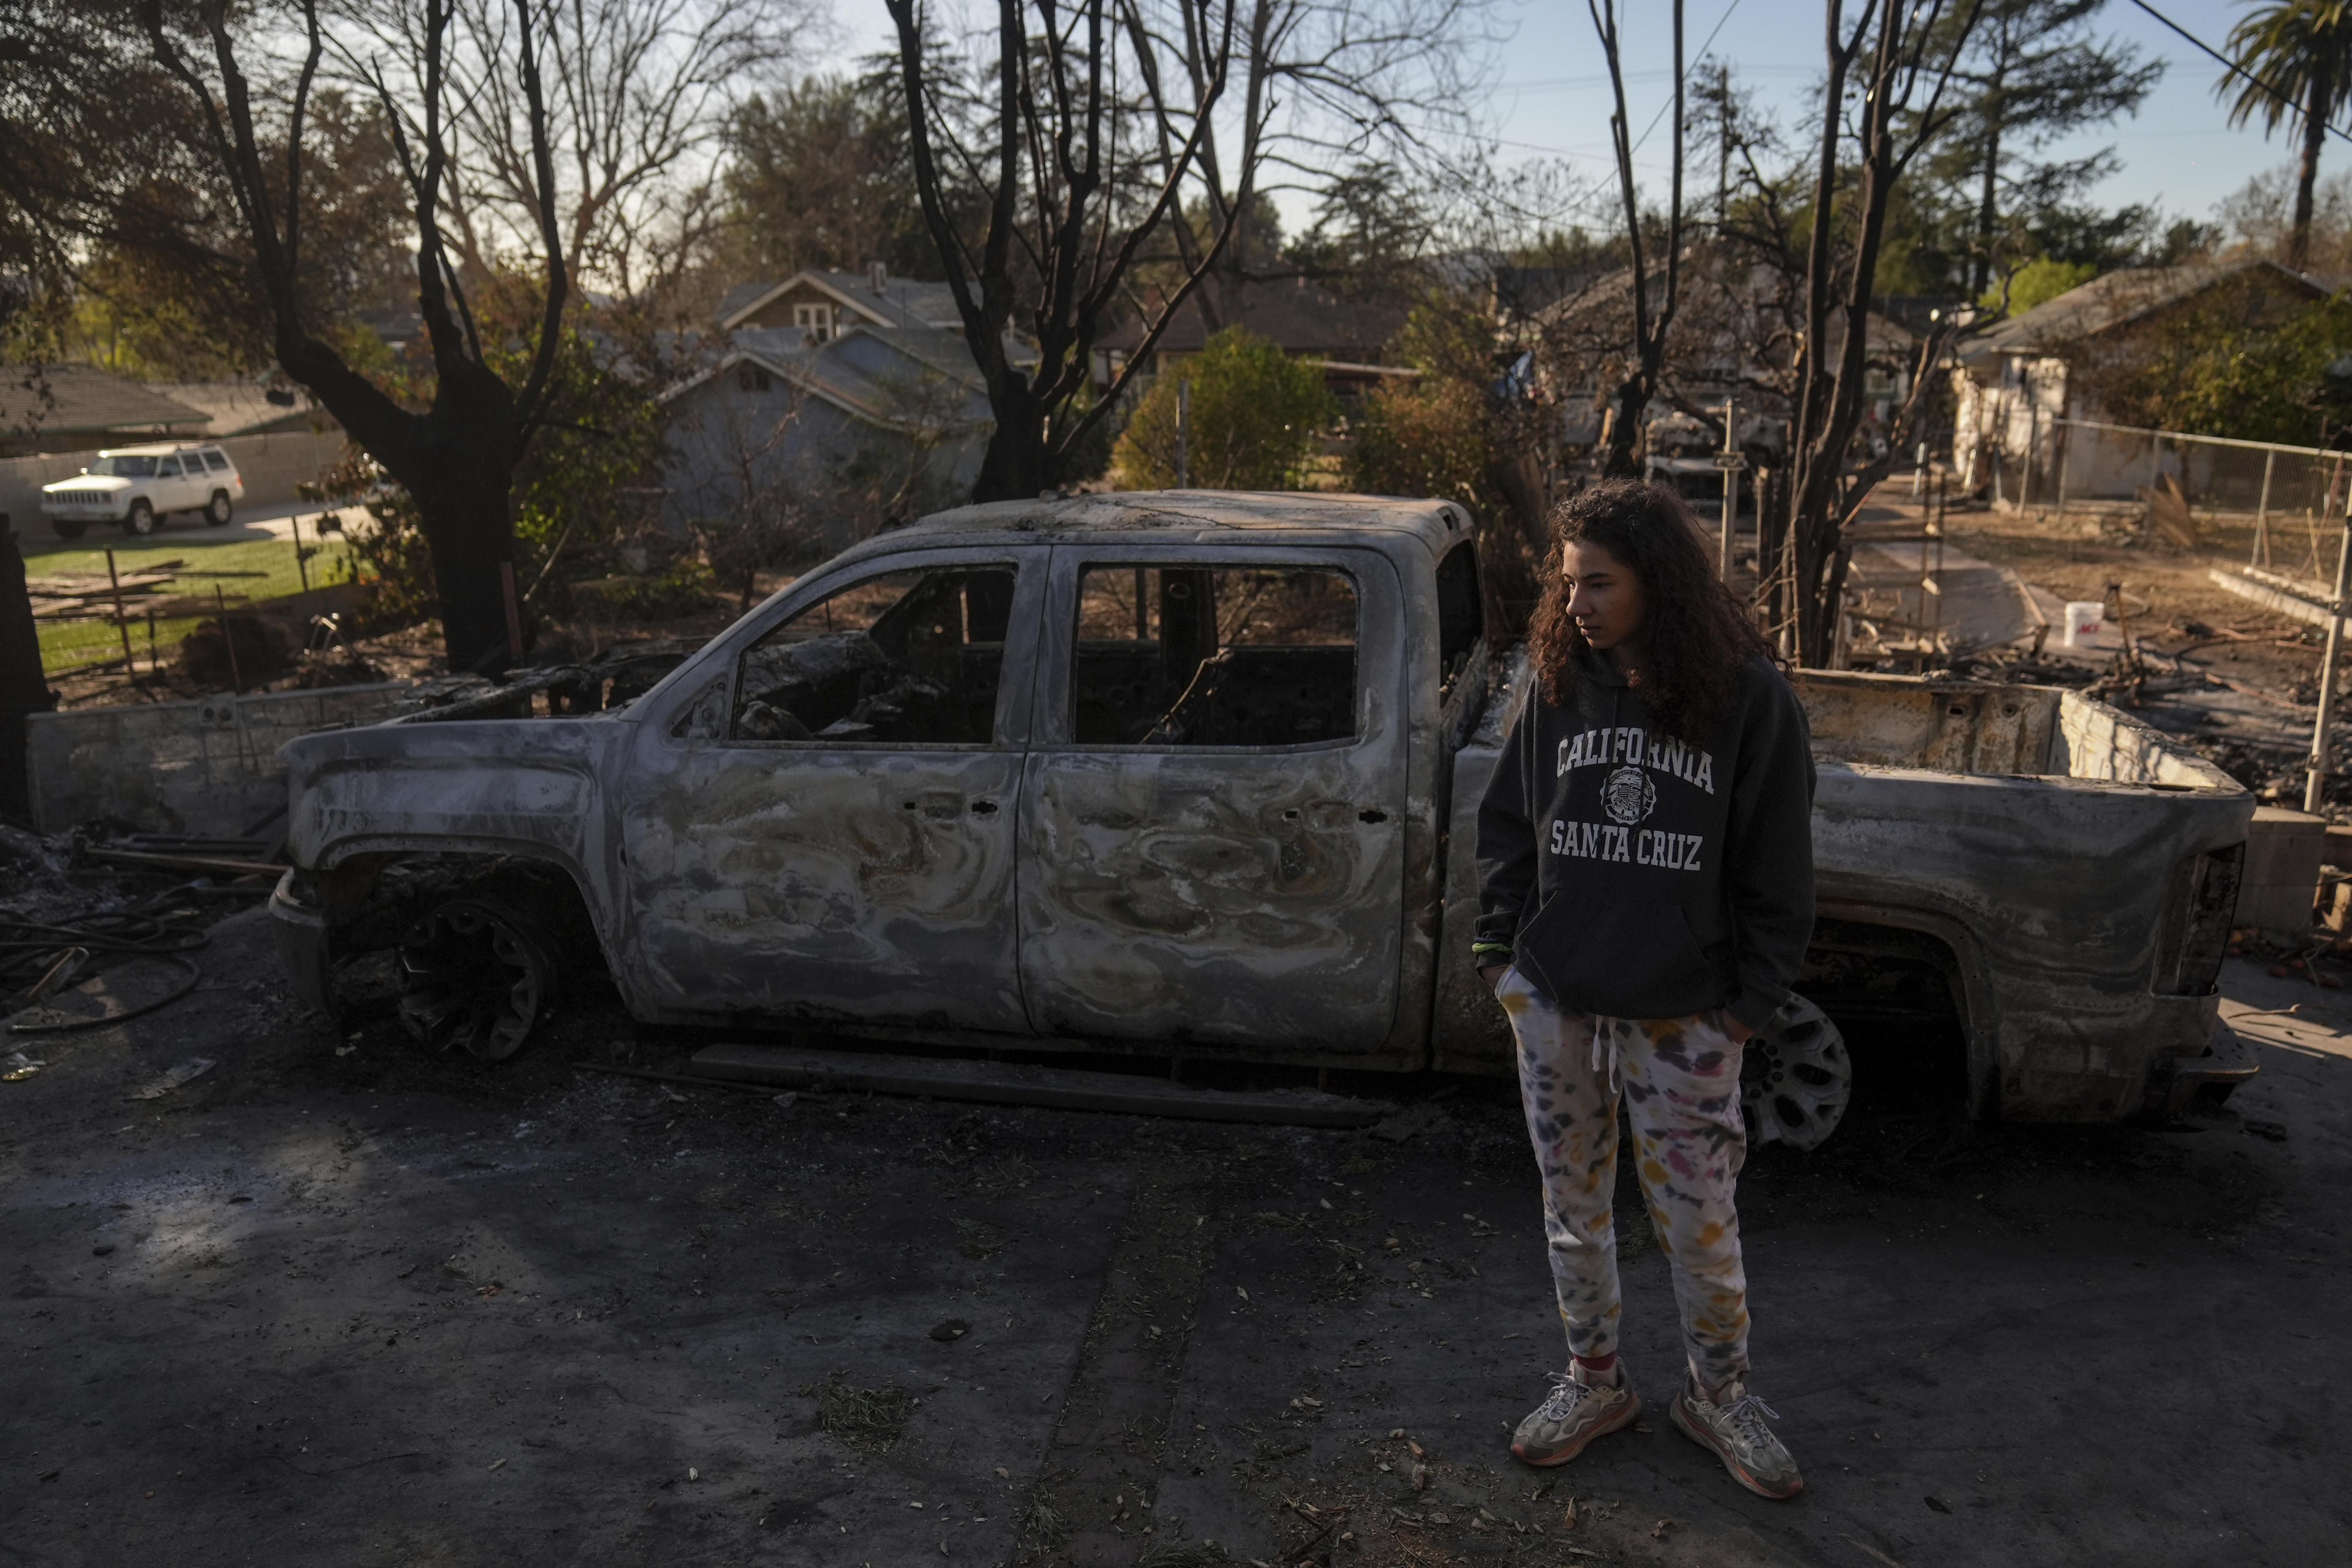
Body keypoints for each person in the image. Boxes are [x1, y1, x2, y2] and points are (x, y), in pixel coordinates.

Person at [1472, 479, 1817, 1500]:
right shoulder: (1556, 684)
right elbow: (1506, 827)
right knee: (1573, 1209)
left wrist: (1746, 1007)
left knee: (1699, 1221)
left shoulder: (1748, 697)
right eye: (1568, 581)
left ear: (1658, 582)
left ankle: (1719, 1395)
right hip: (1560, 1003)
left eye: (1601, 582)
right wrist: (1506, 962)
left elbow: (1780, 873)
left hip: (1686, 1017)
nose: (1577, 601)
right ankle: (1595, 1382)